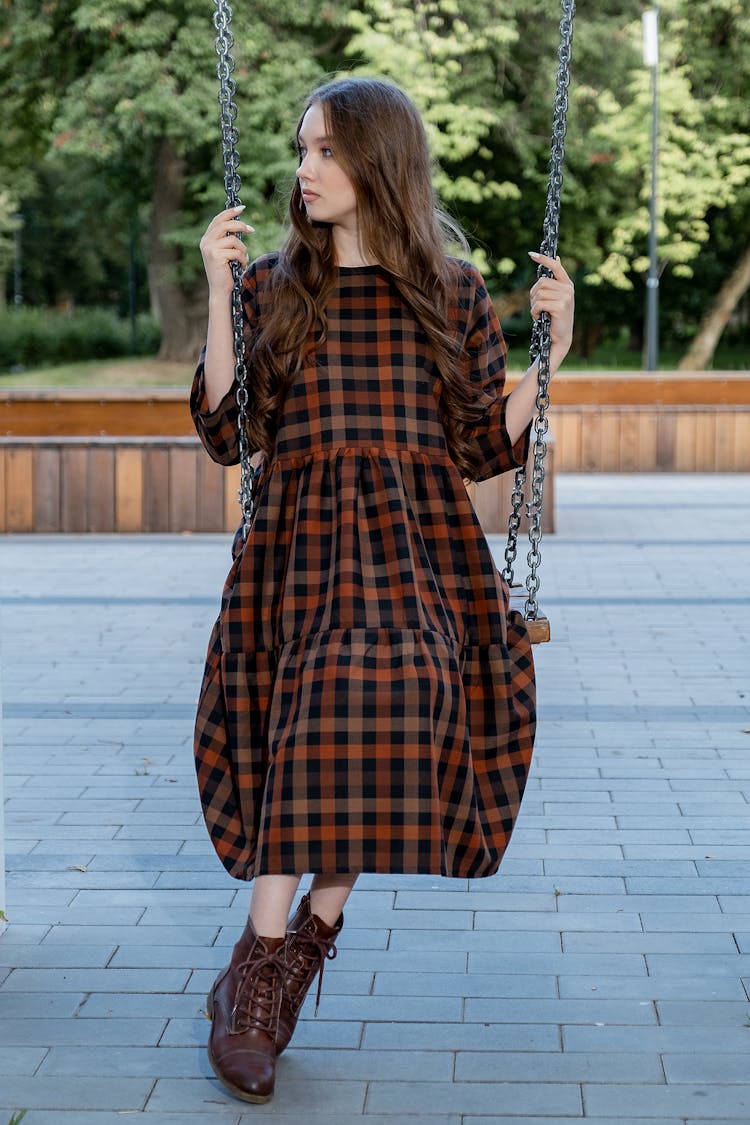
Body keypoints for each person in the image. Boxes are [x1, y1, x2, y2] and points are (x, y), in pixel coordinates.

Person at [191, 76, 574, 1105]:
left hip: (417, 556)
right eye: (299, 151)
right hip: (302, 559)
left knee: (386, 732)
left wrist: (552, 354)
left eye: (322, 151)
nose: (302, 170)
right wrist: (220, 303)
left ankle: (276, 964)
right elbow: (230, 434)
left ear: (376, 162)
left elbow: (481, 446)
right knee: (315, 732)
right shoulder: (274, 285)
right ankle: (263, 987)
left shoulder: (451, 293)